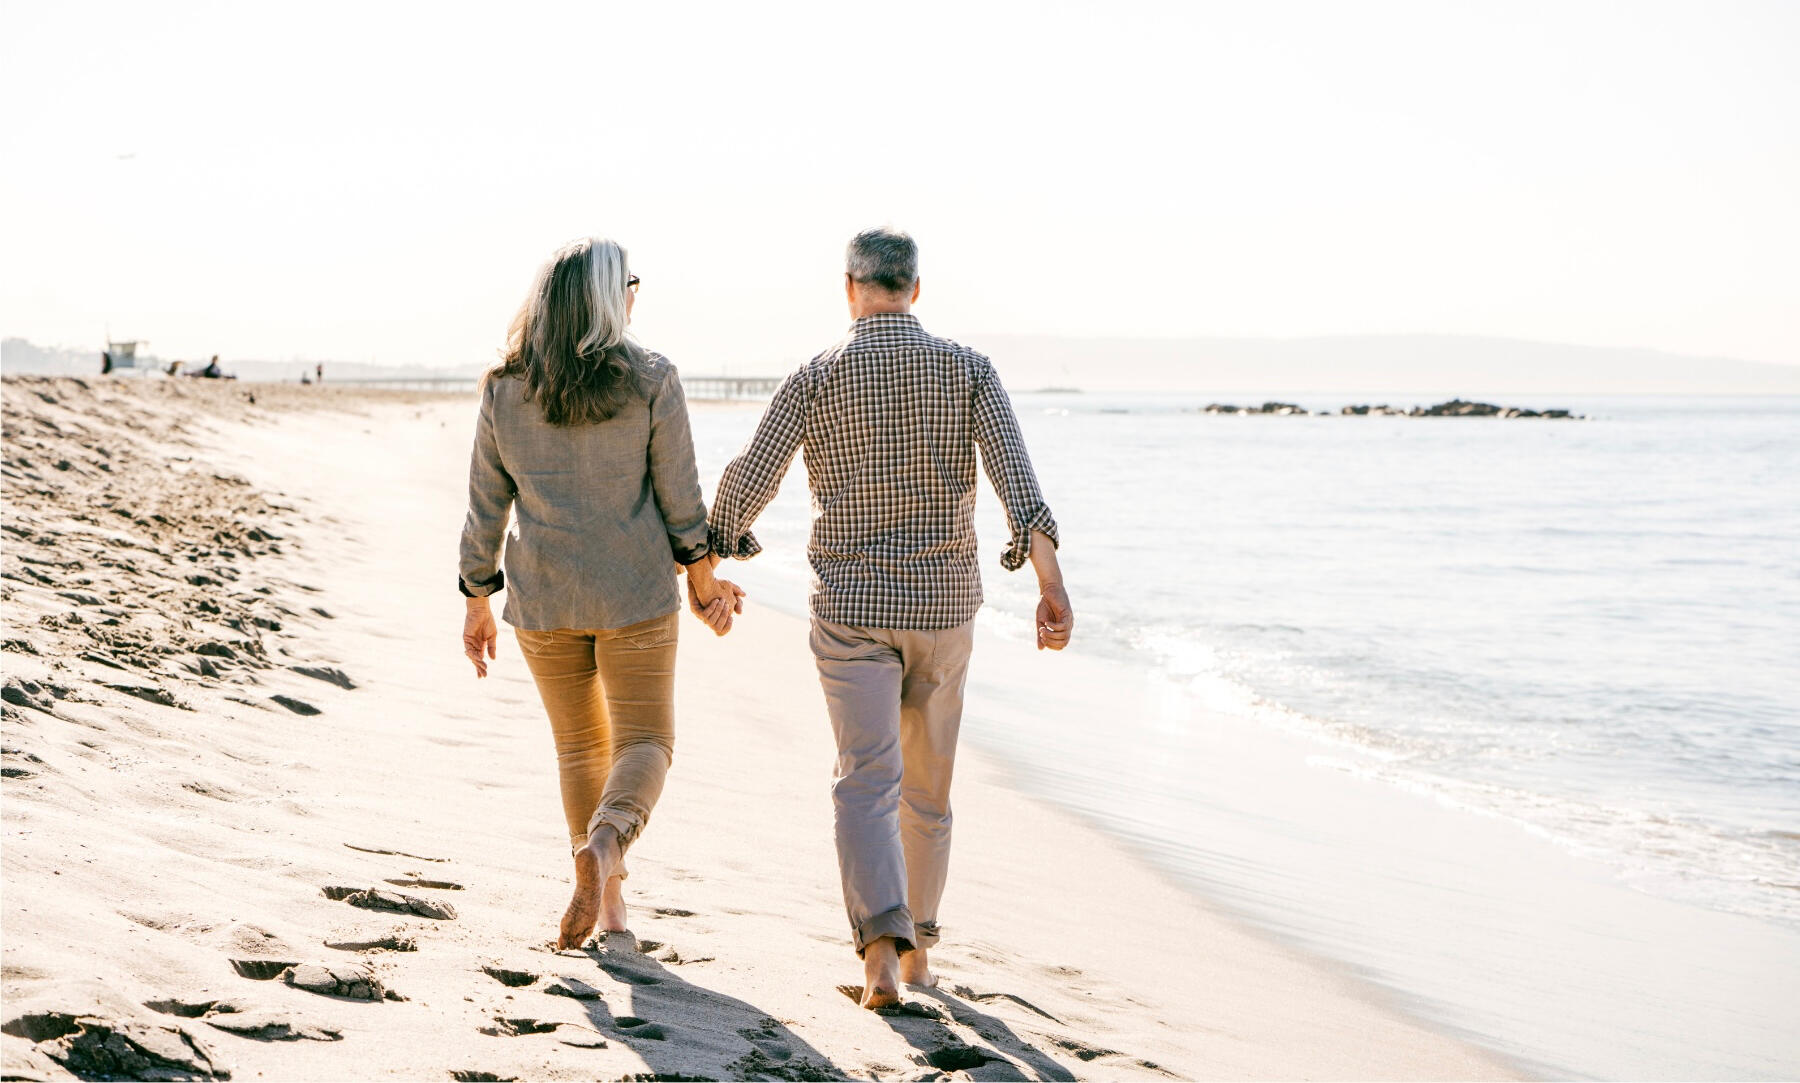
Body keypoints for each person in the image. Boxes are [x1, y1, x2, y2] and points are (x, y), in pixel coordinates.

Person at [707, 227, 1073, 1008]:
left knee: (866, 781)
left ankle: (880, 951)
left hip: (852, 613)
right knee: (929, 791)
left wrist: (708, 551)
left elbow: (751, 477)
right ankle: (920, 956)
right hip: (943, 611)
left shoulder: (818, 375)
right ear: (916, 288)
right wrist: (1050, 584)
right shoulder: (968, 369)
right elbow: (1019, 483)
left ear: (850, 287)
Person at [459, 236, 744, 948]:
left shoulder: (503, 384)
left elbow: (484, 507)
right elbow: (683, 501)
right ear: (607, 298)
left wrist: (475, 598)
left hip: (543, 598)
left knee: (580, 748)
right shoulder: (650, 377)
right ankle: (608, 845)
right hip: (635, 594)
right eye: (630, 283)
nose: (635, 295)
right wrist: (707, 584)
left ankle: (611, 912)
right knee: (647, 738)